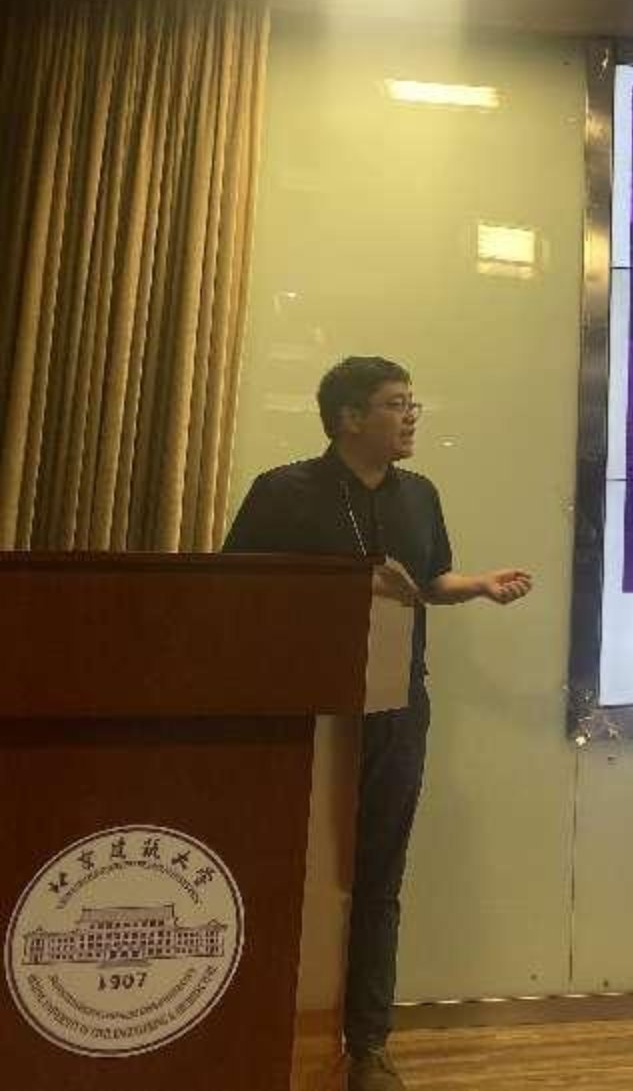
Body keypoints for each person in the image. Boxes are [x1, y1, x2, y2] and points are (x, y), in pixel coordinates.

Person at [223, 356, 532, 1091]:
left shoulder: (420, 495)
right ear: (349, 417)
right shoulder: (283, 491)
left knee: (378, 879)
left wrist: (476, 586)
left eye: (412, 402)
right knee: (291, 875)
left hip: (396, 711)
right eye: (396, 403)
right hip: (306, 713)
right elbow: (237, 588)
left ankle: (367, 1047)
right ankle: (271, 1031)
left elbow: (428, 582)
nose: (411, 415)